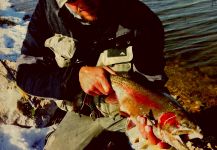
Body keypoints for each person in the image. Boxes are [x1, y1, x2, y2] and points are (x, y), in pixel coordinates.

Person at [16, 0, 169, 149]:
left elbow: (153, 83)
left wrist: (148, 118)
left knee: (165, 144)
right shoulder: (47, 11)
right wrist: (75, 77)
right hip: (80, 115)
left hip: (128, 116)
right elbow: (26, 75)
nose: (85, 4)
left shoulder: (141, 18)